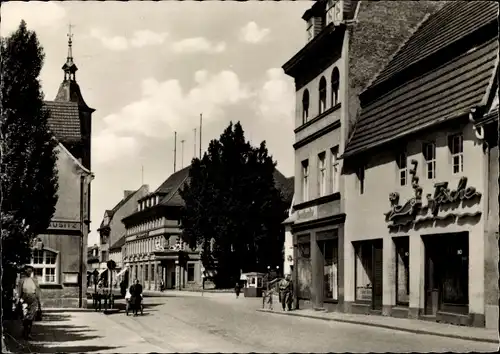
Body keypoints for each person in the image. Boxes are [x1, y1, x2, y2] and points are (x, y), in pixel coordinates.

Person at [16, 265, 41, 339]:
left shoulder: (35, 280)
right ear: (25, 271)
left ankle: (28, 333)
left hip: (33, 298)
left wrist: (38, 301)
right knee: (25, 316)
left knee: (31, 317)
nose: (29, 272)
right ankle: (25, 332)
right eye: (28, 270)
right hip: (24, 299)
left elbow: (37, 291)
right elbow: (19, 291)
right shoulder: (21, 280)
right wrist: (18, 301)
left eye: (30, 271)